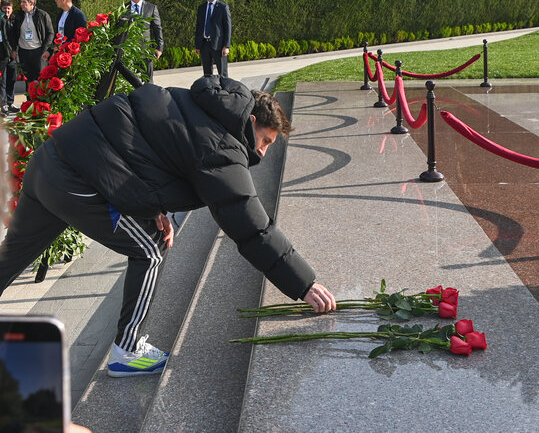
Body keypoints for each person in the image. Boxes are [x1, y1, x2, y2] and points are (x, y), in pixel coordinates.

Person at [0, 75, 336, 377]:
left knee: (12, 256)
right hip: (76, 179)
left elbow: (145, 149)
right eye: (264, 141)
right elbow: (250, 225)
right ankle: (127, 351)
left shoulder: (200, 103)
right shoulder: (223, 145)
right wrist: (302, 283)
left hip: (49, 160)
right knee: (149, 250)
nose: (261, 154)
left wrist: (153, 209)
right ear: (250, 121)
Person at [9, 0, 54, 83]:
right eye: (21, 2)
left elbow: (50, 33)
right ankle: (29, 98)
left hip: (38, 52)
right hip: (24, 52)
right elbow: (14, 34)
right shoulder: (19, 16)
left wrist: (45, 49)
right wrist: (14, 49)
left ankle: (40, 97)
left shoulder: (42, 15)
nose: (21, 4)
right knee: (28, 80)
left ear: (32, 3)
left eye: (24, 2)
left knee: (41, 79)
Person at [126, 0, 164, 82]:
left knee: (148, 81)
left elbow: (157, 28)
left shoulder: (151, 8)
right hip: (129, 51)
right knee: (130, 81)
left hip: (146, 51)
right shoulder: (124, 8)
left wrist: (159, 48)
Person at [194, 0, 231, 77]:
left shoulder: (223, 7)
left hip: (219, 46)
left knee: (222, 74)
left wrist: (226, 46)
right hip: (204, 45)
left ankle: (224, 91)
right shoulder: (201, 8)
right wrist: (197, 45)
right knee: (207, 74)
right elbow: (199, 27)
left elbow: (228, 27)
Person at [0, 1, 19, 113]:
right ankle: (4, 104)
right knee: (2, 80)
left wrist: (15, 51)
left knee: (12, 78)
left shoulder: (14, 20)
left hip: (13, 55)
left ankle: (10, 102)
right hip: (2, 55)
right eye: (4, 8)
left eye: (8, 8)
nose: (6, 11)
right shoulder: (1, 20)